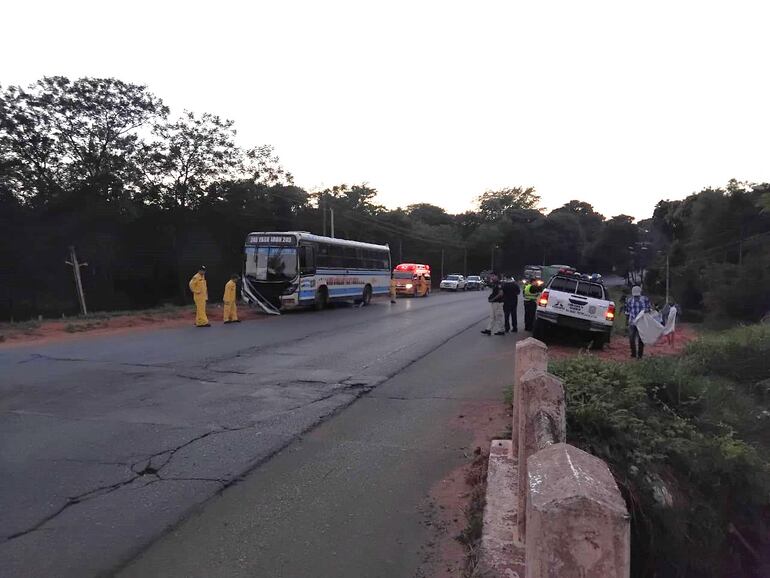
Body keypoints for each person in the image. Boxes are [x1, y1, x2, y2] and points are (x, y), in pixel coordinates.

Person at [624, 285, 651, 358]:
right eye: (635, 296)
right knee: (631, 338)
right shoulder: (629, 300)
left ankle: (640, 355)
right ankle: (633, 354)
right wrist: (627, 322)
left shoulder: (645, 299)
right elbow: (627, 312)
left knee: (640, 339)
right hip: (632, 322)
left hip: (641, 322)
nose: (636, 298)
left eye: (637, 296)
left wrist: (645, 312)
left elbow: (649, 309)